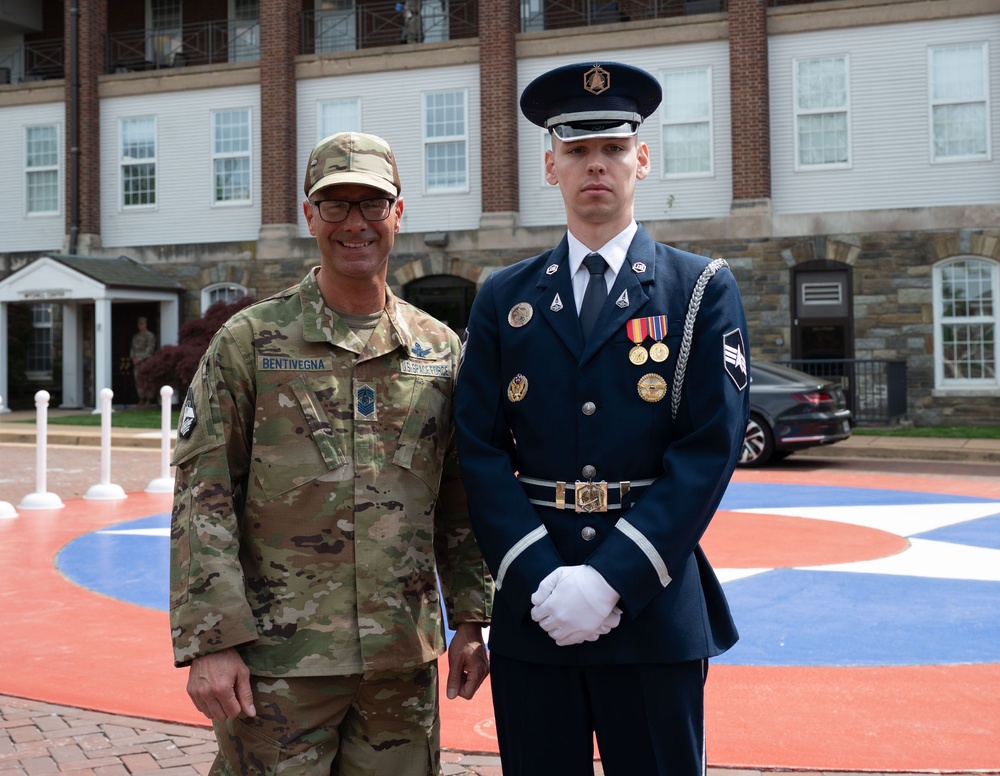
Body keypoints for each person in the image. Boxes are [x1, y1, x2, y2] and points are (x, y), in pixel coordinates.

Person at [454, 62, 750, 776]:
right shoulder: (504, 297)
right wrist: (540, 577)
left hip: (652, 607)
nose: (597, 165)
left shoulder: (701, 288)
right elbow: (479, 448)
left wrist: (611, 579)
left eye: (613, 149)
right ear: (549, 164)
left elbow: (710, 449)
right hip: (539, 607)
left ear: (641, 160)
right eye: (578, 150)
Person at [169, 131, 493, 776]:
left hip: (400, 660)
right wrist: (212, 642)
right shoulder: (250, 343)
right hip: (278, 666)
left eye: (372, 205)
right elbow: (203, 498)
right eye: (336, 205)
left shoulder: (438, 350)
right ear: (310, 216)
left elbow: (459, 496)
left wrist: (470, 618)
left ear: (399, 213)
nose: (355, 224)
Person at [129, 316, 157, 406]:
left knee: (147, 380)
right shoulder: (136, 337)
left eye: (142, 324)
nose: (140, 326)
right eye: (139, 324)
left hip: (145, 362)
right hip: (137, 363)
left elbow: (150, 349)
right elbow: (132, 349)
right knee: (138, 380)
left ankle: (148, 398)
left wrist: (140, 358)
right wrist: (133, 358)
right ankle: (141, 398)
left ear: (145, 324)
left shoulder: (150, 336)